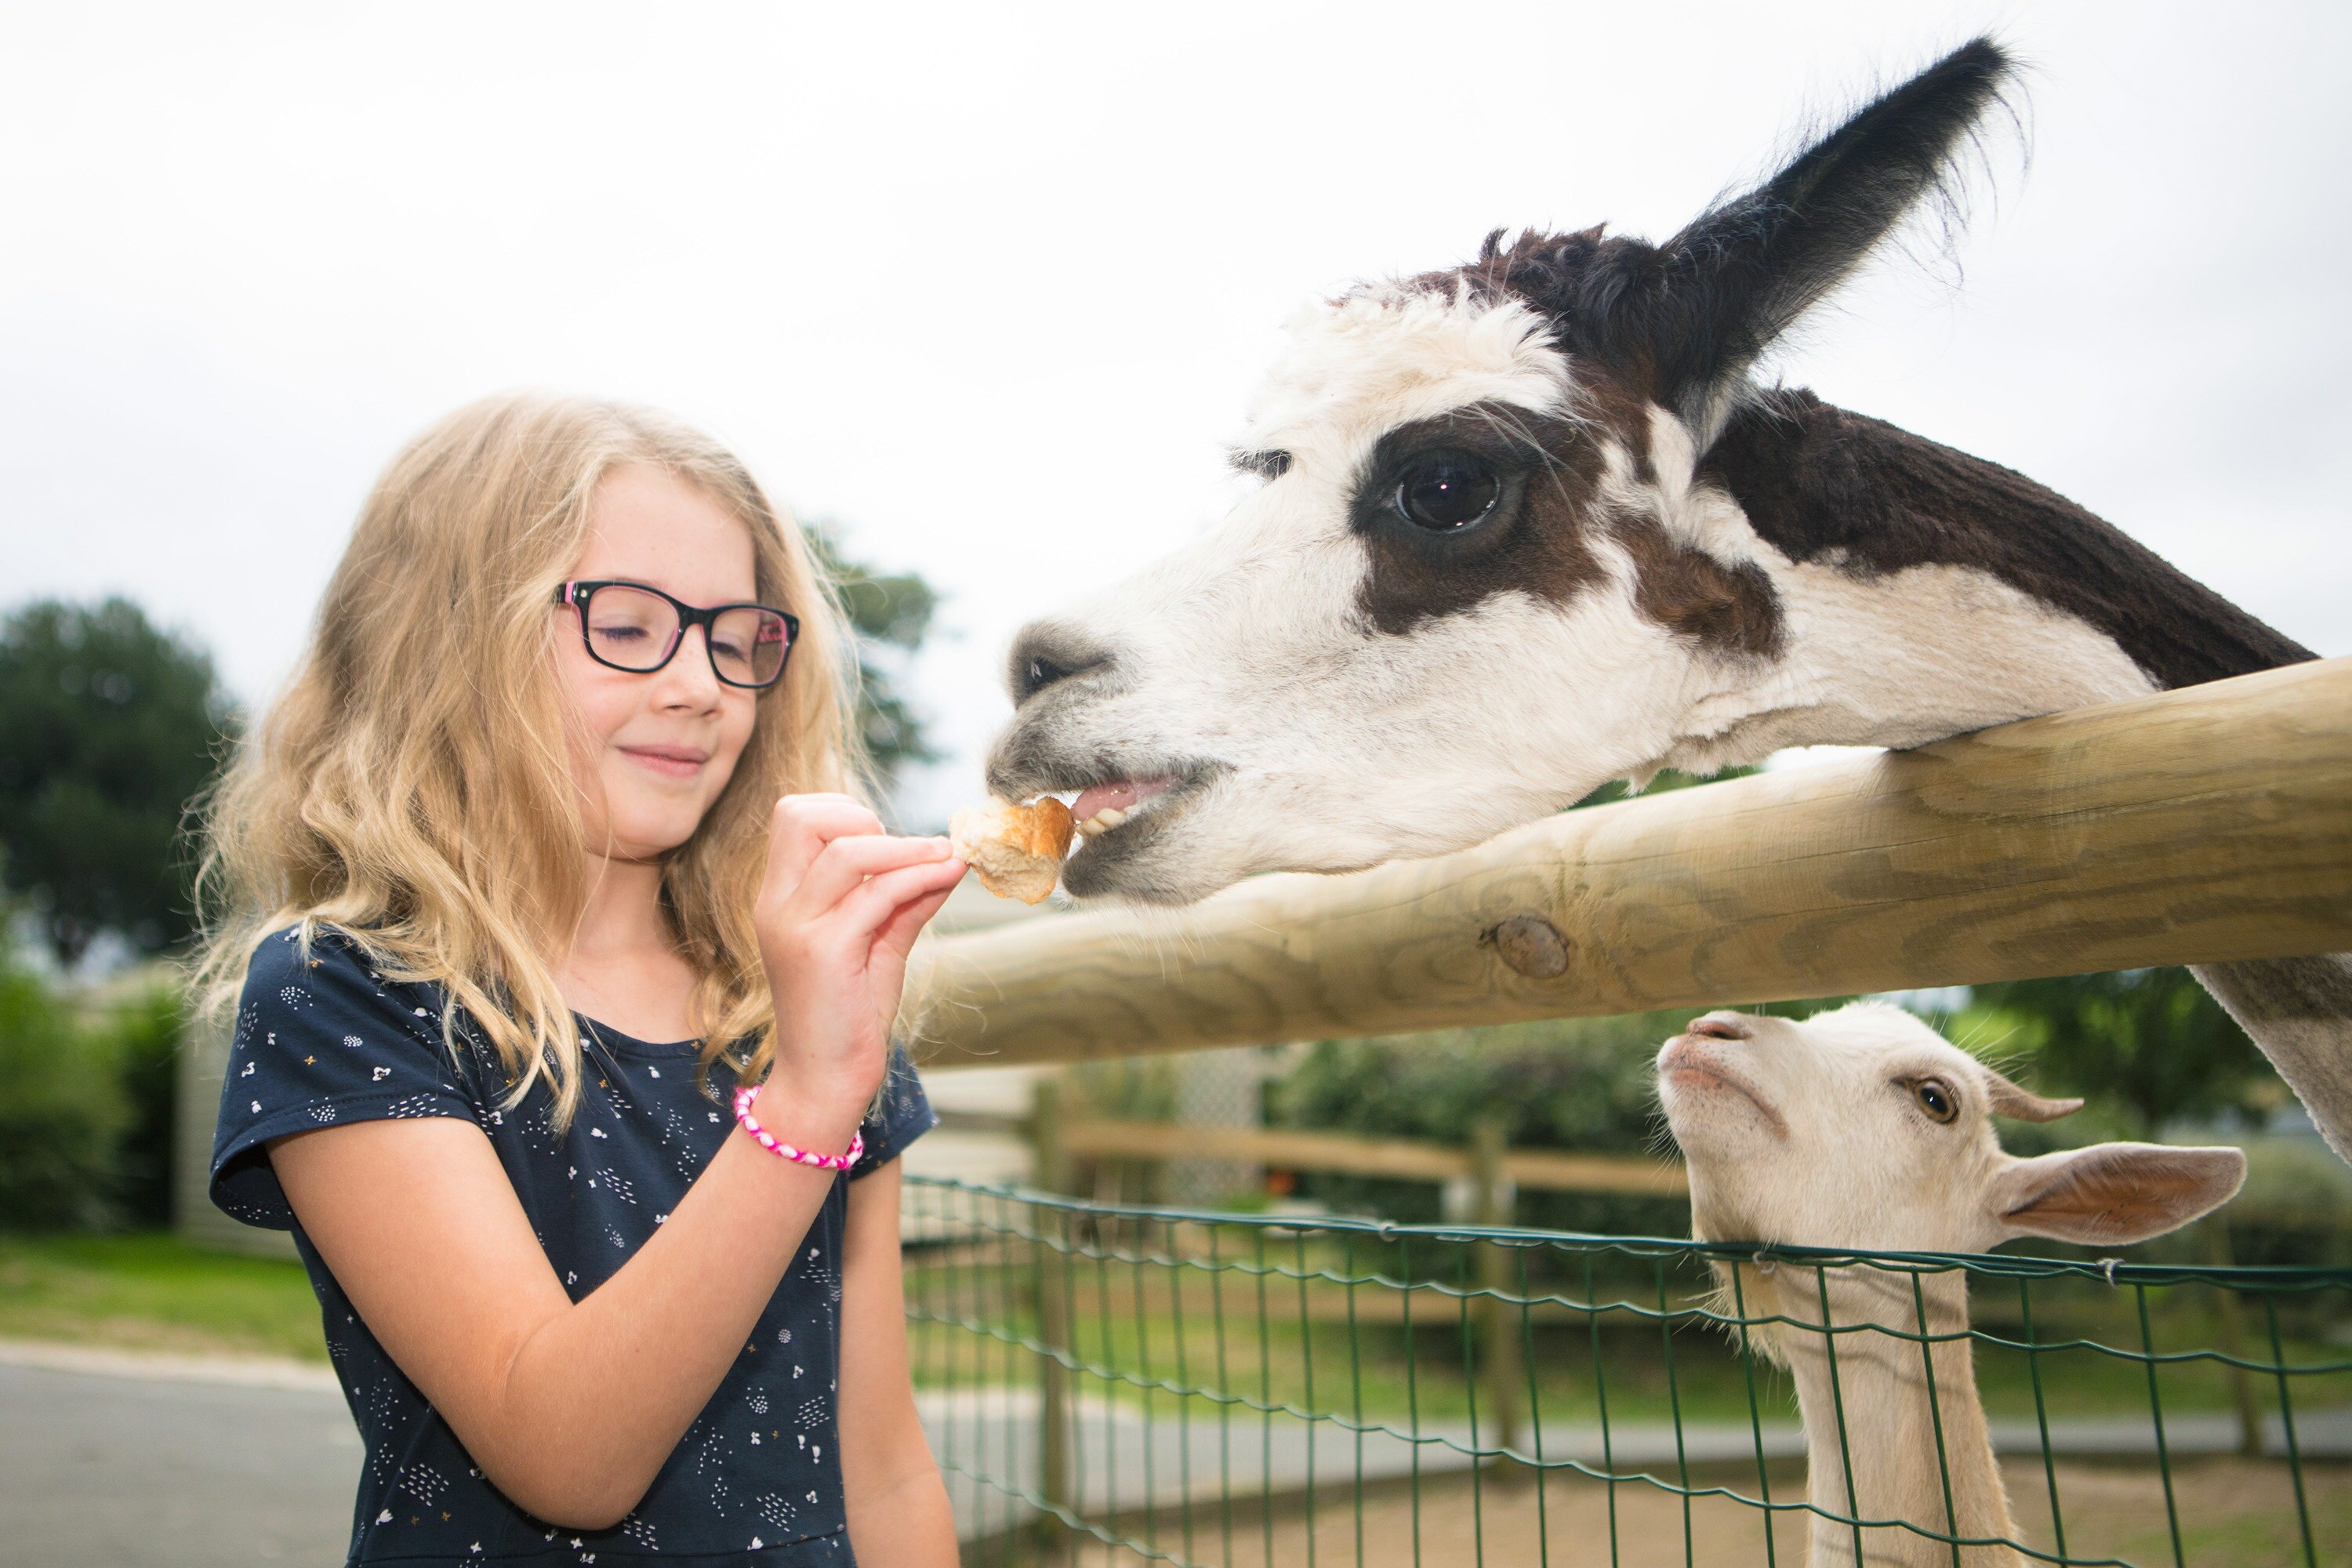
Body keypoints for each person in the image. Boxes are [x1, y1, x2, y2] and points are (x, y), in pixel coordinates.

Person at [195, 393, 967, 1564]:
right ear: (449, 637)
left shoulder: (794, 1006)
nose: (701, 685)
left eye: (734, 635)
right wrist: (810, 1102)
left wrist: (823, 1058)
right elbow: (566, 1456)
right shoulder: (348, 993)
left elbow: (888, 1467)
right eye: (627, 622)